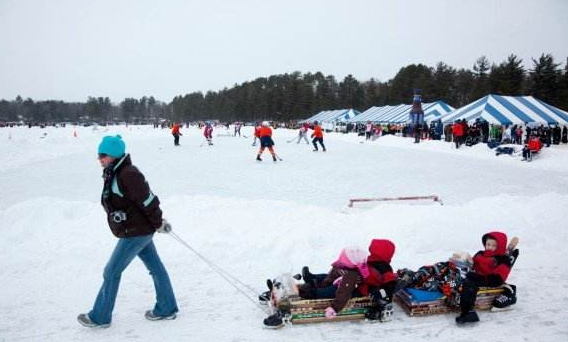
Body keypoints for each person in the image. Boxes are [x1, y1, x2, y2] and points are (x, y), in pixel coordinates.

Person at [78, 135, 178, 328]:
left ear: (114, 155)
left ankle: (100, 317)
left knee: (111, 271)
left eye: (102, 155)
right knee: (155, 267)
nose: (99, 159)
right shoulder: (114, 172)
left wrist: (158, 222)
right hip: (138, 229)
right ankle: (166, 307)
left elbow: (148, 200)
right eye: (99, 155)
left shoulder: (128, 174)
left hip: (136, 232)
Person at [455, 231, 517, 324]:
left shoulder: (503, 259)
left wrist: (478, 277)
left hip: (490, 279)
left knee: (469, 283)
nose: (490, 247)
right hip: (477, 275)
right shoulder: (480, 253)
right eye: (488, 244)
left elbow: (499, 277)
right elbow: (472, 264)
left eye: (493, 245)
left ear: (499, 246)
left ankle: (468, 313)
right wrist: (464, 261)